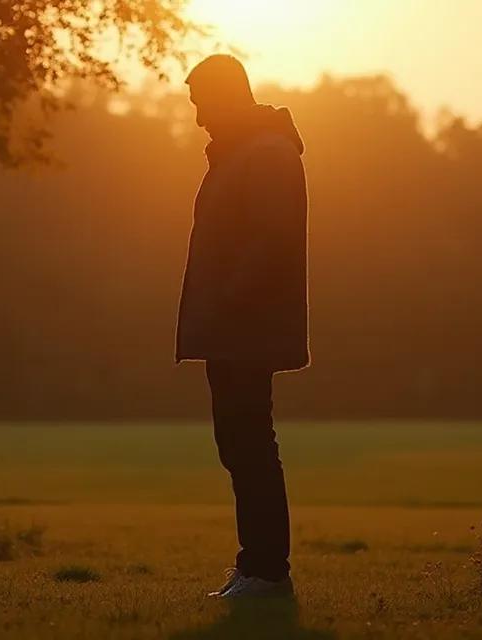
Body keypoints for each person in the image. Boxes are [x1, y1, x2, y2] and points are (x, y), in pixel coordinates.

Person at [175, 54, 309, 599]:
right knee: (239, 444)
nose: (200, 118)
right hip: (231, 328)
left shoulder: (266, 154)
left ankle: (267, 571)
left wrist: (228, 299)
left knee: (251, 444)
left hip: (245, 329)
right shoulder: (242, 153)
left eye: (203, 104)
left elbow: (269, 242)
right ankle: (255, 564)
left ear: (228, 96)